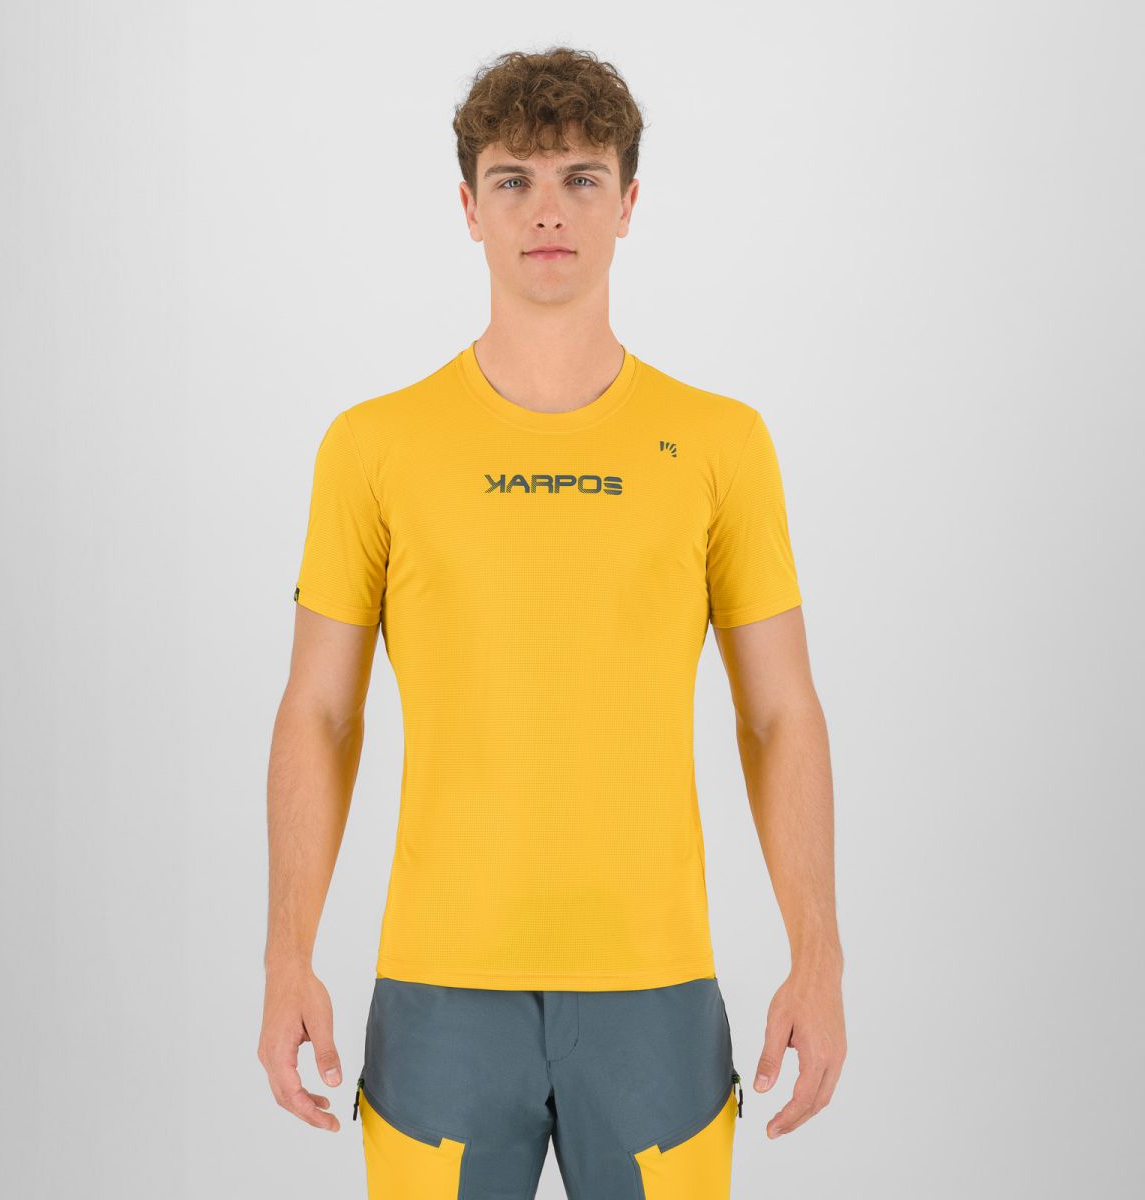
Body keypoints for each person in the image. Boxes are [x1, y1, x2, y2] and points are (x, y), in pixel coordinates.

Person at [257, 45, 845, 1198]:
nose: (547, 211)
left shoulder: (721, 443)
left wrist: (817, 956)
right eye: (514, 179)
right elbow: (319, 711)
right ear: (468, 207)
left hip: (656, 986)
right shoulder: (374, 446)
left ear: (629, 202)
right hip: (439, 987)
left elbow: (781, 713)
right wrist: (287, 956)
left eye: (581, 177)